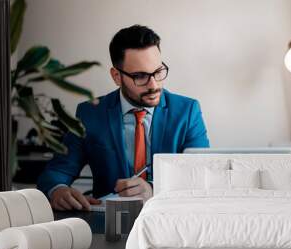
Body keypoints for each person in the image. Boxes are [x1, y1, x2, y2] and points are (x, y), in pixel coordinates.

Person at [37, 25, 210, 211]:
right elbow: (57, 172)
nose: (154, 85)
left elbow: (202, 176)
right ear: (117, 76)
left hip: (171, 221)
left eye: (158, 72)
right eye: (140, 76)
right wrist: (58, 190)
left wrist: (154, 189)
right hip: (109, 226)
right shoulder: (90, 113)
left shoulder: (187, 111)